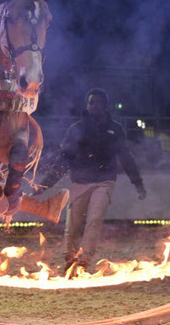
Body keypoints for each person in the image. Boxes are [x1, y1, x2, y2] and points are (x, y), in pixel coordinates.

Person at [36, 88, 146, 271]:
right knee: (73, 223)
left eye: (97, 102)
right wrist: (45, 184)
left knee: (95, 218)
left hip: (105, 180)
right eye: (91, 102)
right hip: (80, 180)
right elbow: (64, 158)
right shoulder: (77, 129)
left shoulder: (115, 129)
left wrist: (138, 183)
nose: (94, 106)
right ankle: (69, 258)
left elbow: (126, 157)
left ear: (105, 105)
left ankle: (84, 260)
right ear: (87, 105)